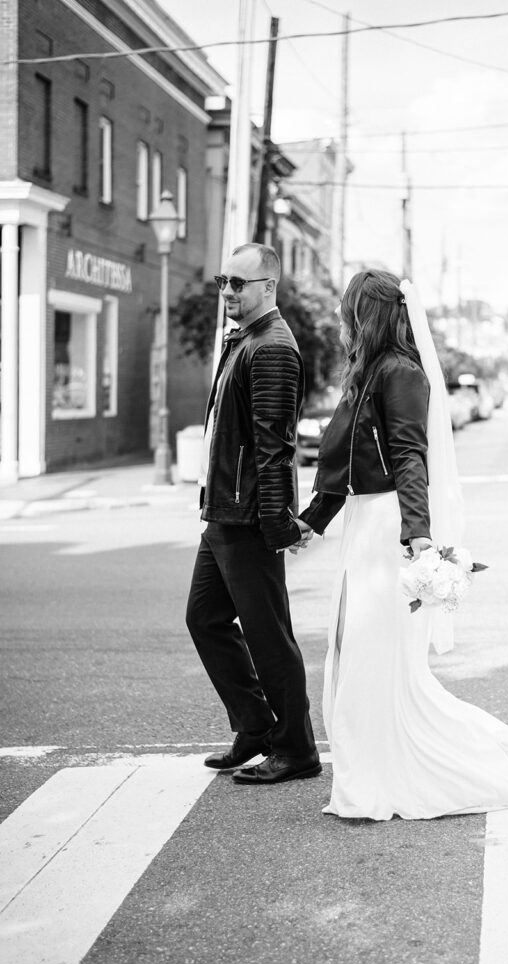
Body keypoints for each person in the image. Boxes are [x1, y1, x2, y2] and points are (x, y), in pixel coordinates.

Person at [295, 269, 508, 820]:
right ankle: (367, 764)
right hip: (363, 525)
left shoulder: (400, 373)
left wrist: (418, 537)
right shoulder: (368, 372)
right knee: (353, 649)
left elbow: (408, 456)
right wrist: (311, 521)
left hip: (387, 527)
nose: (339, 318)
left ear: (365, 313)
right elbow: (347, 462)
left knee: (373, 655)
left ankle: (382, 775)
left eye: (346, 308)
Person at [186, 243, 321, 785]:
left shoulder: (272, 348)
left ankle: (296, 749)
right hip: (223, 509)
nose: (228, 292)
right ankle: (255, 727)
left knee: (269, 636)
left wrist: (275, 522)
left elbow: (274, 446)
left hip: (247, 516)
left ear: (269, 287)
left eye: (239, 283)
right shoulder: (246, 341)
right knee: (205, 618)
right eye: (224, 281)